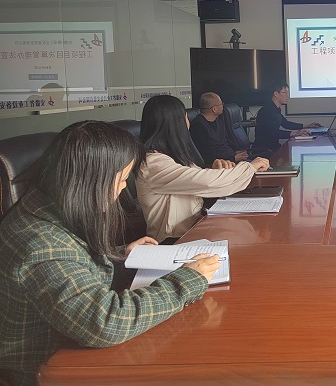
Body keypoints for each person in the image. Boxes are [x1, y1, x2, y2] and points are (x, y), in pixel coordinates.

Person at [0, 121, 221, 386]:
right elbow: (105, 323)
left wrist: (120, 255)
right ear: (90, 182)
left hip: (72, 346)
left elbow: (72, 262)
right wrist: (185, 281)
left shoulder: (49, 206)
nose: (123, 188)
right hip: (51, 370)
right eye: (122, 179)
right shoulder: (41, 244)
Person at [137, 95, 269, 242]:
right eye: (185, 118)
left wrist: (214, 168)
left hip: (195, 229)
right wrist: (250, 167)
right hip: (174, 241)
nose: (188, 123)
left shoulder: (172, 157)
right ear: (176, 124)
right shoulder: (153, 164)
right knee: (249, 238)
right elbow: (207, 183)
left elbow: (195, 176)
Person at [253, 81, 320, 152]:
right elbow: (273, 133)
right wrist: (294, 133)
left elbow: (286, 124)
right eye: (284, 93)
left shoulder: (274, 108)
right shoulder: (268, 110)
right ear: (276, 94)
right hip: (265, 150)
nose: (287, 96)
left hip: (272, 147)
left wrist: (307, 126)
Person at [189, 92, 248, 166]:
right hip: (220, 165)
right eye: (221, 104)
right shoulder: (198, 126)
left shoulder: (218, 121)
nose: (223, 105)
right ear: (214, 109)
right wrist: (233, 158)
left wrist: (235, 152)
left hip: (230, 159)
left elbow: (225, 142)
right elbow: (206, 155)